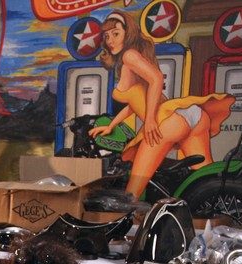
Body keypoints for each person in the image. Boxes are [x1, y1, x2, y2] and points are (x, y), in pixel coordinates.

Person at [88, 10, 234, 199]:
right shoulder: (133, 60)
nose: (110, 40)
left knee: (131, 194)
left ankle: (135, 217)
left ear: (128, 33)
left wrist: (149, 121)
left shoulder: (129, 56)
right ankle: (226, 208)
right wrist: (112, 125)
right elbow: (135, 103)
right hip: (193, 116)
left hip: (168, 121)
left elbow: (157, 78)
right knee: (207, 184)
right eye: (107, 36)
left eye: (116, 34)